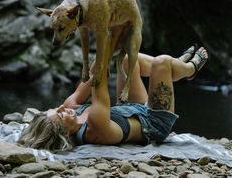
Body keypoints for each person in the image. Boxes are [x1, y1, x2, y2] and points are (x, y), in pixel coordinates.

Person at [18, 45, 209, 152]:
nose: (61, 108)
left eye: (55, 108)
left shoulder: (71, 108)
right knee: (161, 62)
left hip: (129, 108)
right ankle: (187, 70)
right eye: (60, 116)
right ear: (66, 133)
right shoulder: (94, 128)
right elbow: (99, 79)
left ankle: (172, 70)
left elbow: (92, 74)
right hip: (153, 122)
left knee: (125, 61)